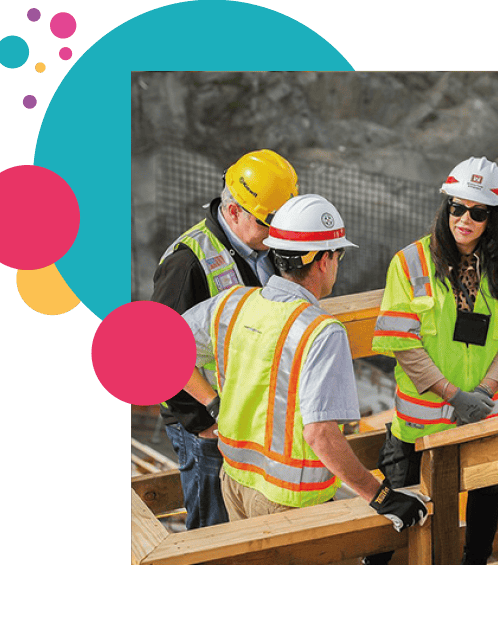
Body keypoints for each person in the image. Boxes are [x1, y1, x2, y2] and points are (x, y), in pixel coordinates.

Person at [180, 194, 429, 534]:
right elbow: (320, 434)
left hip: (235, 482)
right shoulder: (321, 331)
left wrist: (213, 402)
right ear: (324, 260)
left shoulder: (233, 304)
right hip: (290, 503)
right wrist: (380, 496)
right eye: (338, 255)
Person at [366, 156, 498, 565]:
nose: (464, 218)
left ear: (492, 218)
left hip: (486, 417)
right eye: (456, 207)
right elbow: (403, 344)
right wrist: (452, 395)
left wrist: (482, 393)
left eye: (477, 212)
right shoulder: (409, 263)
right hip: (421, 427)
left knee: (481, 527)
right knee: (393, 529)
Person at [150, 149, 298, 529]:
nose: (279, 231)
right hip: (207, 426)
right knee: (214, 534)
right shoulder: (187, 264)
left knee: (252, 531)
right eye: (269, 221)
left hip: (255, 423)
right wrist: (207, 418)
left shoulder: (268, 248)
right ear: (233, 212)